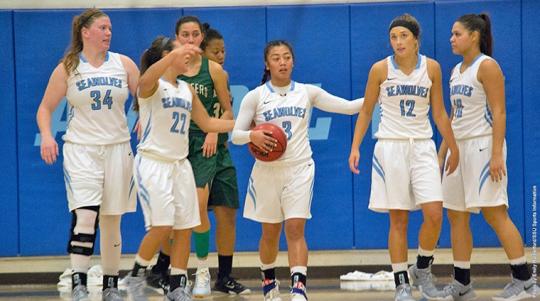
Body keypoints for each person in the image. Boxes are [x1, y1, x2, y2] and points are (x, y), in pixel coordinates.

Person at [231, 40, 364, 301]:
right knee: (270, 232)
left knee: (294, 228)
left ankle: (298, 288)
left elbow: (348, 107)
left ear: (294, 61)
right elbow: (235, 135)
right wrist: (252, 136)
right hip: (266, 171)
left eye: (287, 57)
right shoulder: (256, 96)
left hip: (299, 169)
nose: (282, 62)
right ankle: (269, 282)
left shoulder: (307, 92)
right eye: (276, 58)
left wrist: (375, 93)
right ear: (267, 64)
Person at [348, 14, 460, 301]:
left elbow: (439, 114)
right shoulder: (379, 69)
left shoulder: (432, 68)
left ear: (415, 39)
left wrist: (452, 146)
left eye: (403, 36)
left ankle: (422, 267)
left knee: (434, 214)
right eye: (394, 37)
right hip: (390, 146)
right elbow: (365, 111)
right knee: (398, 220)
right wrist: (355, 146)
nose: (398, 42)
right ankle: (401, 284)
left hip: (422, 146)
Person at [36, 8, 139, 301]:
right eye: (103, 28)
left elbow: (145, 96)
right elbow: (45, 109)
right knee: (85, 215)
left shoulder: (124, 64)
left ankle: (110, 285)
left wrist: (144, 113)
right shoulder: (68, 68)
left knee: (111, 220)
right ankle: (78, 281)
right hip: (82, 150)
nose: (109, 33)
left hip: (118, 148)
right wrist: (46, 135)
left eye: (110, 28)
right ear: (86, 32)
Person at [123, 36, 234, 301]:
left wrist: (245, 129)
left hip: (180, 164)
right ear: (166, 56)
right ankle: (136, 275)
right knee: (162, 226)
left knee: (185, 227)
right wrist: (172, 56)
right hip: (153, 163)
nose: (189, 57)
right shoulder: (152, 86)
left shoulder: (186, 89)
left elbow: (208, 123)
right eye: (181, 53)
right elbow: (144, 80)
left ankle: (177, 286)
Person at [437, 13, 539, 301]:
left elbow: (500, 112)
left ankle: (525, 281)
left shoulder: (487, 66)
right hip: (458, 150)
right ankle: (462, 283)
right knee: (456, 215)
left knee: (495, 213)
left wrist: (496, 154)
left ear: (474, 35)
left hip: (483, 147)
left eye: (457, 34)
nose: (451, 39)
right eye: (451, 34)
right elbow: (454, 115)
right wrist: (442, 153)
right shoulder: (455, 70)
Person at [172, 16, 249, 298]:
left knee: (227, 212)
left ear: (200, 38)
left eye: (195, 34)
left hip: (216, 145)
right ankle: (187, 271)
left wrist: (214, 131)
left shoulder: (214, 70)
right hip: (185, 146)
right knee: (195, 207)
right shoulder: (170, 68)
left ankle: (223, 276)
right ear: (177, 37)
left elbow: (229, 112)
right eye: (185, 34)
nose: (191, 39)